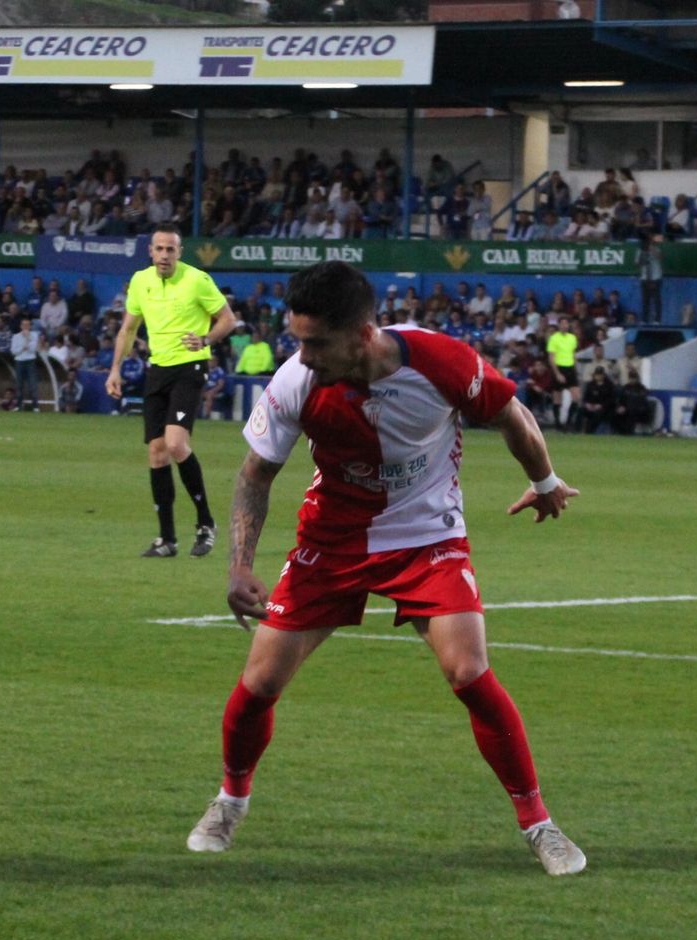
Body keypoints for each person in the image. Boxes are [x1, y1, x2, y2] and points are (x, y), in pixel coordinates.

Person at [184, 260, 586, 877]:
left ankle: (541, 826)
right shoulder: (296, 381)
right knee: (261, 683)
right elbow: (254, 475)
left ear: (363, 332)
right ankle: (228, 802)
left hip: (427, 537)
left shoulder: (441, 362)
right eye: (298, 339)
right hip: (331, 541)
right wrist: (239, 567)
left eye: (316, 342)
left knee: (469, 671)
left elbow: (513, 416)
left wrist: (545, 481)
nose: (304, 354)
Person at [105, 223, 237, 558]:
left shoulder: (197, 280)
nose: (164, 255)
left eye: (170, 249)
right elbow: (128, 328)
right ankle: (167, 540)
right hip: (158, 370)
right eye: (159, 249)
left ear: (180, 252)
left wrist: (206, 339)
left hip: (190, 367)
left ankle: (206, 524)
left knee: (177, 444)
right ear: (150, 251)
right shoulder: (140, 281)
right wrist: (115, 369)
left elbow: (228, 319)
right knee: (157, 452)